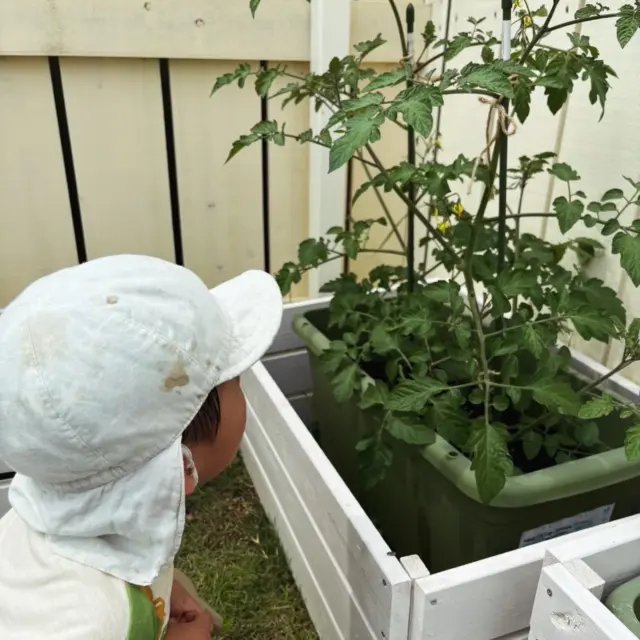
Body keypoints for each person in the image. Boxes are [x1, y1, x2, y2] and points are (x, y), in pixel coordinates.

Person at [0, 254, 283, 639]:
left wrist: (159, 597)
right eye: (234, 380)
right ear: (180, 466)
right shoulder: (88, 623)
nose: (243, 388)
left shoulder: (41, 521)